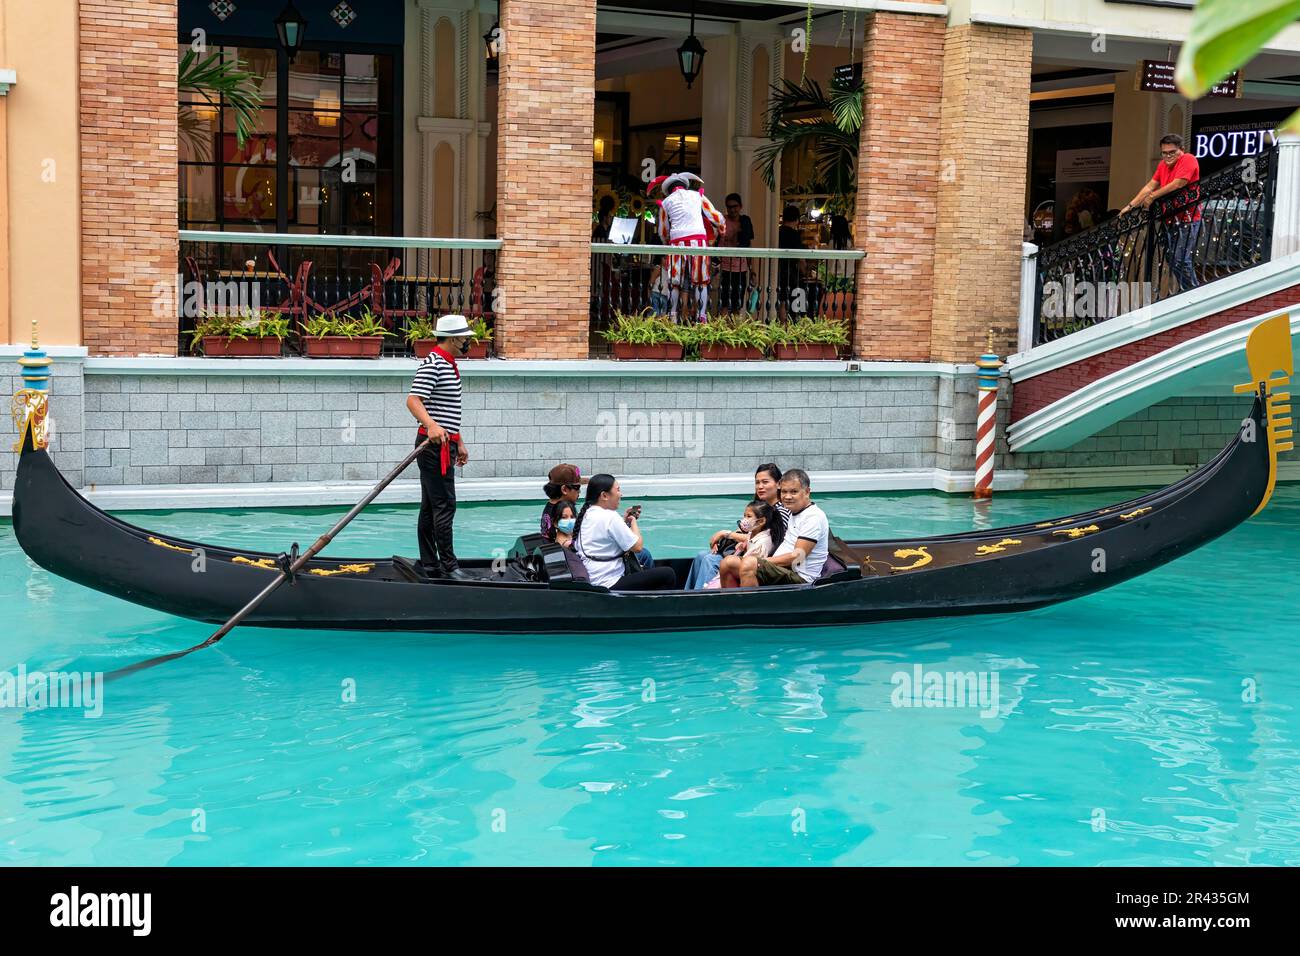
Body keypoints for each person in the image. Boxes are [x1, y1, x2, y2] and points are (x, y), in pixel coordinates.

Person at [406, 315, 475, 579]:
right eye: (465, 337)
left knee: (430, 506)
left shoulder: (449, 363)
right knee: (445, 505)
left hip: (445, 445)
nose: (469, 341)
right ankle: (449, 566)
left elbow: (445, 411)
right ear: (454, 338)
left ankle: (430, 564)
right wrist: (432, 426)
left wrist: (460, 441)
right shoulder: (433, 363)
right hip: (433, 447)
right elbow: (413, 401)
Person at [684, 463, 790, 588]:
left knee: (710, 560)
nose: (760, 487)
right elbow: (743, 531)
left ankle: (701, 599)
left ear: (778, 484)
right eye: (757, 482)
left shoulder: (781, 511)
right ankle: (687, 594)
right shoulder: (759, 507)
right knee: (702, 555)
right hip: (741, 552)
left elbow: (768, 539)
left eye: (765, 482)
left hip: (758, 559)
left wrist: (726, 534)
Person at [719, 468, 828, 588]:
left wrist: (763, 561)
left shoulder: (813, 517)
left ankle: (749, 605)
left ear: (807, 492)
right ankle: (730, 602)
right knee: (727, 562)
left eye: (793, 492)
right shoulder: (794, 512)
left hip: (800, 576)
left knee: (749, 563)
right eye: (784, 491)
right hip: (783, 568)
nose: (787, 496)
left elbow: (798, 556)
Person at [1120, 133, 1202, 292]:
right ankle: (1189, 290)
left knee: (1180, 259)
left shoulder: (1188, 159)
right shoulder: (1162, 166)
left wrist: (1153, 197)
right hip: (1170, 220)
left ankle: (1195, 292)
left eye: (1172, 152)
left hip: (1188, 218)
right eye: (1165, 153)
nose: (1168, 156)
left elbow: (1179, 183)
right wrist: (1130, 206)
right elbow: (1149, 186)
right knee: (1172, 259)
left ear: (1181, 150)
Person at [572, 474, 676, 591]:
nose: (620, 494)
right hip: (608, 582)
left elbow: (605, 536)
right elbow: (637, 547)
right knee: (668, 574)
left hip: (593, 578)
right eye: (618, 490)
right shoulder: (609, 516)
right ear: (604, 495)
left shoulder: (586, 514)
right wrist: (633, 522)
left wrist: (623, 522)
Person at [649, 172, 726, 322]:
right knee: (701, 281)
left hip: (677, 242)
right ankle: (701, 317)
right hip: (698, 241)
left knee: (675, 282)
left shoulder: (666, 203)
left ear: (669, 189)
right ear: (685, 185)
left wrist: (666, 243)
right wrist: (722, 226)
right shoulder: (698, 195)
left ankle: (672, 316)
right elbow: (714, 215)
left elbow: (663, 231)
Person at [701, 500, 777, 589]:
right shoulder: (752, 535)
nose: (744, 520)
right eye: (744, 516)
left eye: (749, 516)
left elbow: (750, 567)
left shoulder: (762, 543)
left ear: (761, 521)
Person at [717, 193, 754, 315]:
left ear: (740, 206)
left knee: (737, 306)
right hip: (725, 268)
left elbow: (748, 247)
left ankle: (734, 331)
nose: (732, 209)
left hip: (740, 269)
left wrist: (752, 270)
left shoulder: (745, 222)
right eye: (729, 207)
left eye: (735, 206)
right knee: (724, 304)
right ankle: (722, 331)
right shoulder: (722, 220)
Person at [540, 463, 586, 540]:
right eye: (577, 488)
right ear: (564, 489)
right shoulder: (560, 512)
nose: (579, 491)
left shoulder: (551, 507)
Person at [777, 205, 805, 320]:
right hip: (792, 272)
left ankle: (783, 326)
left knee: (782, 300)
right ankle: (795, 327)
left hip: (779, 269)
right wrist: (804, 271)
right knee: (797, 299)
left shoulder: (778, 233)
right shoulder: (795, 235)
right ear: (797, 220)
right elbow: (800, 258)